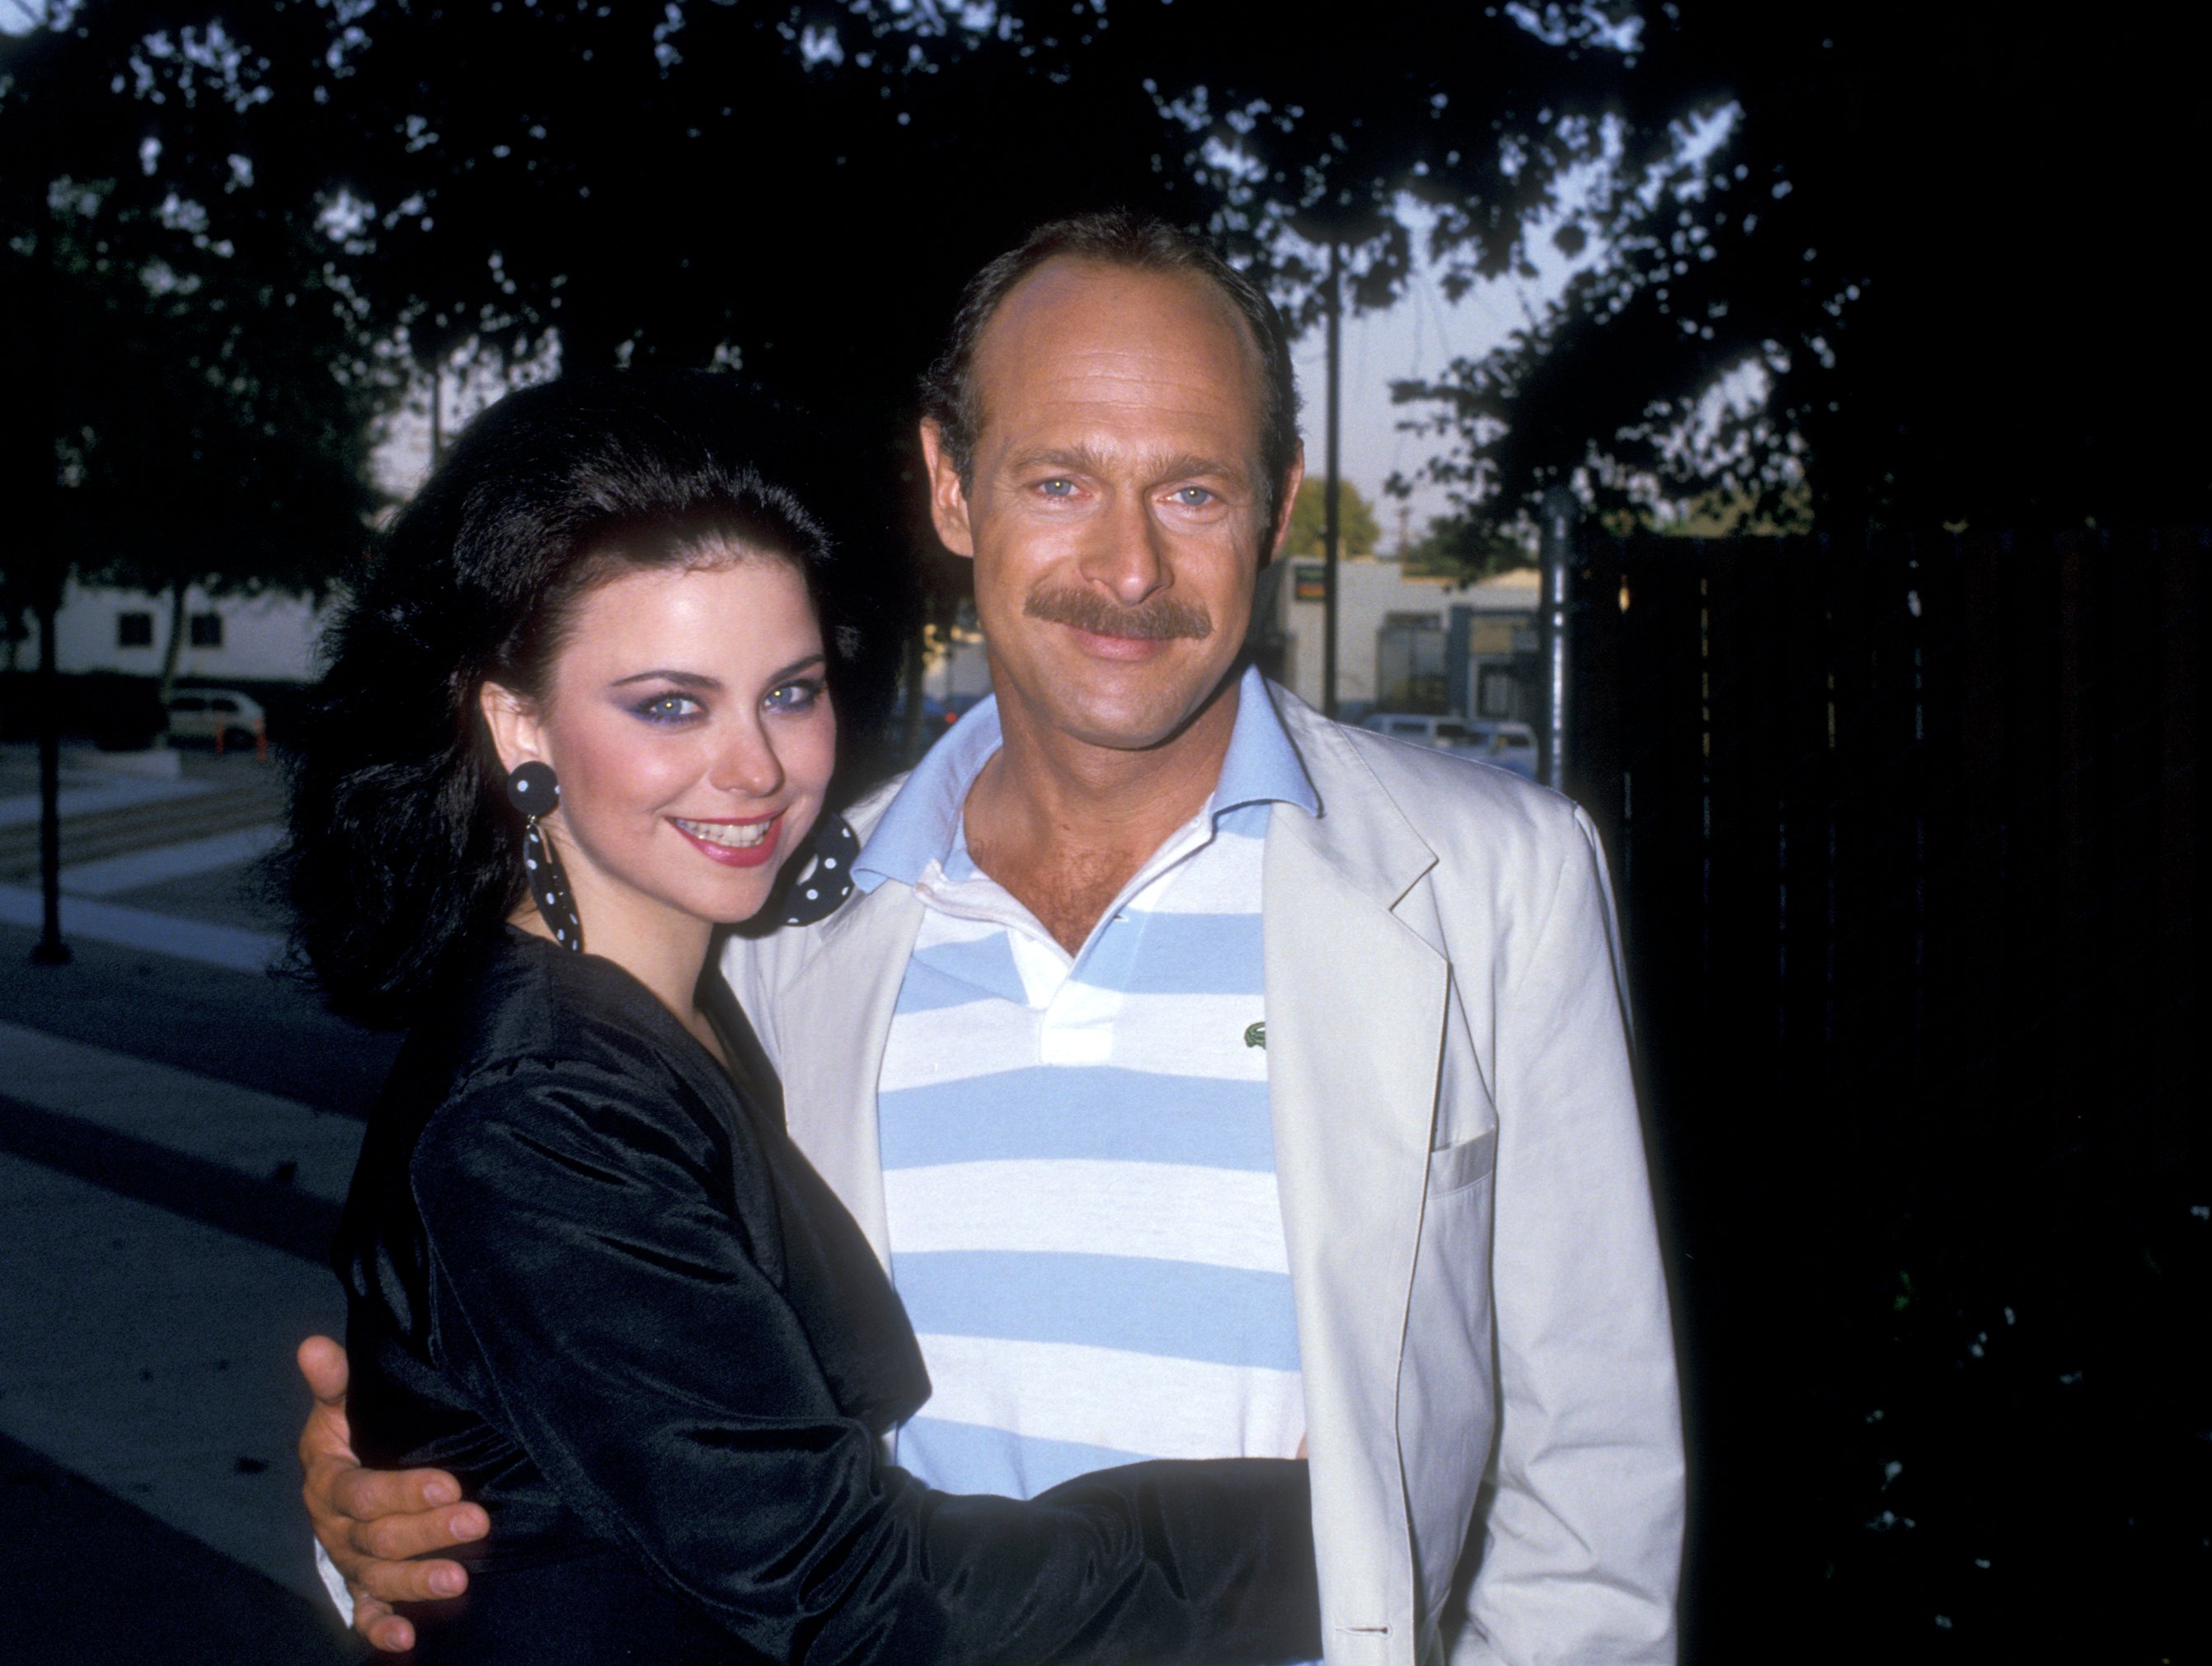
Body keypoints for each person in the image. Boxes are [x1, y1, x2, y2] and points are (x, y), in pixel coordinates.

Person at [305, 213, 1685, 1663]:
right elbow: (618, 1416)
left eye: (1195, 490)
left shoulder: (1490, 877)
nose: (1132, 566)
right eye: (1061, 478)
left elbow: (1593, 1468)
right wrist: (387, 1510)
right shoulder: (773, 930)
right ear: (953, 487)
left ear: (1280, 508)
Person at [284, 370, 1322, 1664]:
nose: (758, 767)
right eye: (669, 703)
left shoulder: (706, 999)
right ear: (517, 722)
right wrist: (1319, 1532)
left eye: (789, 689)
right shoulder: (536, 1107)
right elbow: (859, 1594)